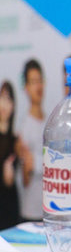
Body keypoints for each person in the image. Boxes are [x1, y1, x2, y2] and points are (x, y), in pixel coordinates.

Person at [18, 58, 45, 221]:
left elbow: (33, 164)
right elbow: (24, 177)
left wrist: (35, 162)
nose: (38, 86)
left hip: (49, 211)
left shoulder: (50, 121)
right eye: (33, 82)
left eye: (40, 80)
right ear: (26, 88)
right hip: (31, 213)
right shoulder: (24, 127)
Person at [0, 80, 20, 229]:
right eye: (1, 97)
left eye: (8, 99)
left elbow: (11, 180)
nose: (4, 104)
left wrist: (9, 174)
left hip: (9, 208)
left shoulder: (16, 141)